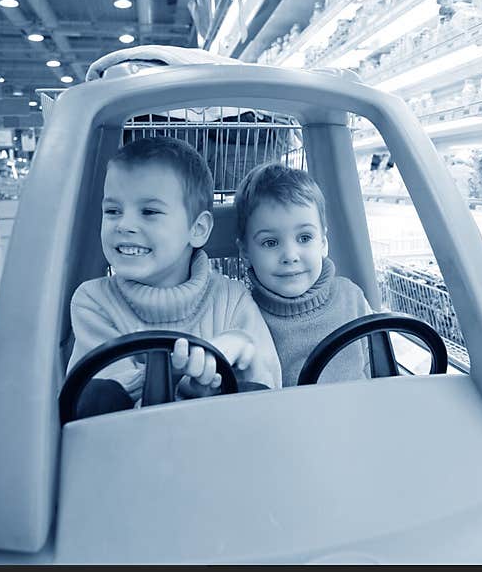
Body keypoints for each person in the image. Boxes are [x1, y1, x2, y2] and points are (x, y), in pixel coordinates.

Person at [67, 137, 281, 419]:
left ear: (198, 228)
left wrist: (240, 349)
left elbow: (271, 389)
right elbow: (99, 404)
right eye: (113, 211)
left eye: (149, 212)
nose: (124, 225)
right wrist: (175, 372)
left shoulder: (232, 299)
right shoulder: (93, 301)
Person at [235, 163, 371, 387]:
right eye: (270, 242)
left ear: (324, 242)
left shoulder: (352, 297)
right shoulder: (246, 316)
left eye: (305, 238)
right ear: (245, 252)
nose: (290, 256)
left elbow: (375, 367)